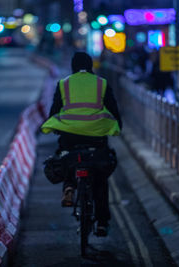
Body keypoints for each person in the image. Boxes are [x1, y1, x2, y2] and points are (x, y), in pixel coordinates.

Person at [41, 52, 122, 236]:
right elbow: (113, 108)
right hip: (96, 138)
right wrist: (118, 125)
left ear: (73, 67)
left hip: (70, 137)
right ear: (91, 66)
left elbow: (54, 110)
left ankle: (69, 187)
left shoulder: (64, 84)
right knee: (100, 178)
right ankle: (102, 223)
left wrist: (55, 126)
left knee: (66, 158)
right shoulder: (101, 83)